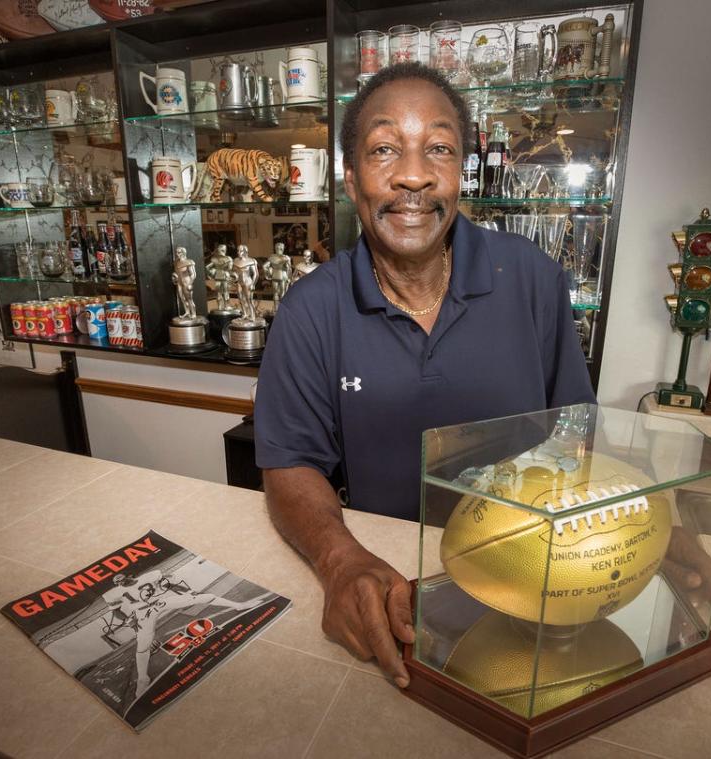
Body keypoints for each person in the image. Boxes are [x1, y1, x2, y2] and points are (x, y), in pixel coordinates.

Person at [254, 62, 598, 688]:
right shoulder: (311, 310)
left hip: (526, 575)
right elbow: (289, 463)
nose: (413, 176)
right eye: (385, 149)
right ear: (351, 176)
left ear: (461, 171)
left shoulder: (532, 280)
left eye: (437, 148)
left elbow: (573, 429)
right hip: (390, 578)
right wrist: (340, 561)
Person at [101, 570, 270, 699]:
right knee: (143, 646)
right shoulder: (113, 594)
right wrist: (130, 621)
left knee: (206, 597)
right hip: (143, 613)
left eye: (122, 578)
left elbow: (171, 585)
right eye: (116, 581)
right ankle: (143, 679)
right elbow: (116, 612)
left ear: (129, 576)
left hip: (162, 601)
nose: (120, 582)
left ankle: (238, 606)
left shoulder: (151, 576)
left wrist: (189, 592)